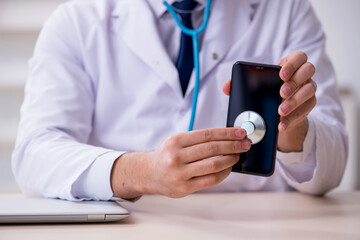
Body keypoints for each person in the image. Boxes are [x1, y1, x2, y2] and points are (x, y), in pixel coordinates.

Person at [12, 0, 348, 201]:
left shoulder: (286, 10)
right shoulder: (76, 20)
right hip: (130, 225)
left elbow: (332, 170)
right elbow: (34, 156)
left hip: (258, 227)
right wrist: (140, 172)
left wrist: (292, 130)